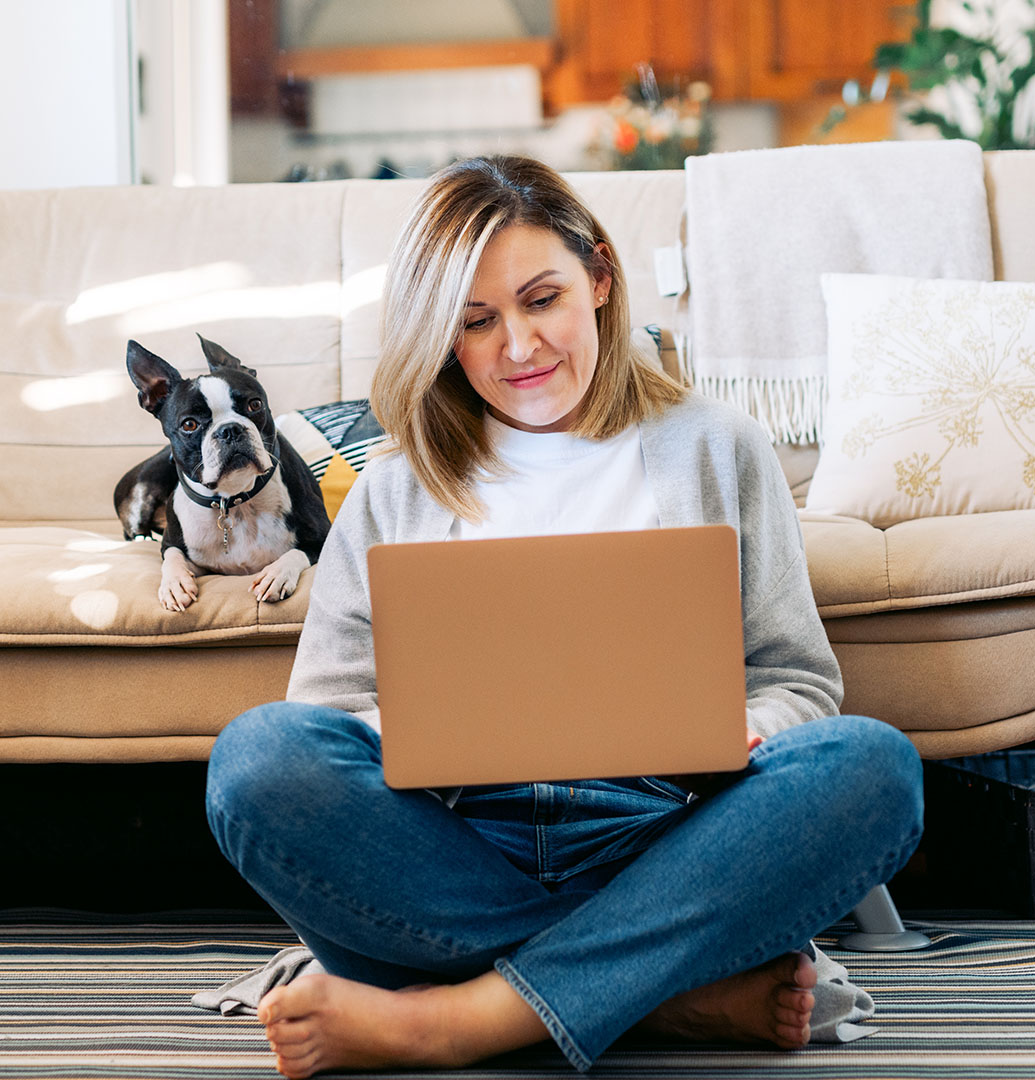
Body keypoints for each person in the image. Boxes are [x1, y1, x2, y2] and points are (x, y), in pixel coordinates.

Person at [205, 154, 924, 1079]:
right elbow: (323, 719)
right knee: (256, 760)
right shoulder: (392, 491)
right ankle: (667, 998)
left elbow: (798, 680)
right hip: (455, 844)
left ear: (600, 278)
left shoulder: (719, 450)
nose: (518, 347)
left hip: (669, 837)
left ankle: (453, 1020)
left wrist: (751, 725)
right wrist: (421, 732)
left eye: (541, 299)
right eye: (476, 322)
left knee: (874, 769)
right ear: (445, 339)